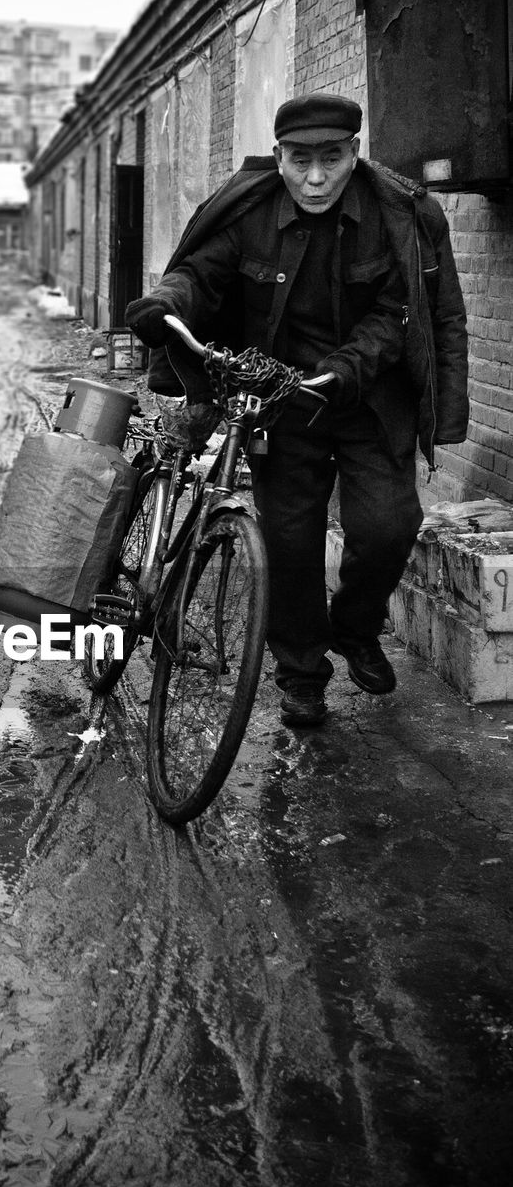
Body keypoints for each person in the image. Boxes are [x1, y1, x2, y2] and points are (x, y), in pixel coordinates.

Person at [124, 92, 468, 727]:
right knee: (289, 541)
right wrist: (165, 301)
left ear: (354, 154)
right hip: (281, 399)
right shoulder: (246, 209)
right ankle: (302, 672)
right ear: (279, 155)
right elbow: (201, 275)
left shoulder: (398, 215)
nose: (315, 179)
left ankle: (357, 629)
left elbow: (400, 314)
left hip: (368, 397)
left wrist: (345, 369)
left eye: (331, 160)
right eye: (300, 160)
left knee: (390, 526)